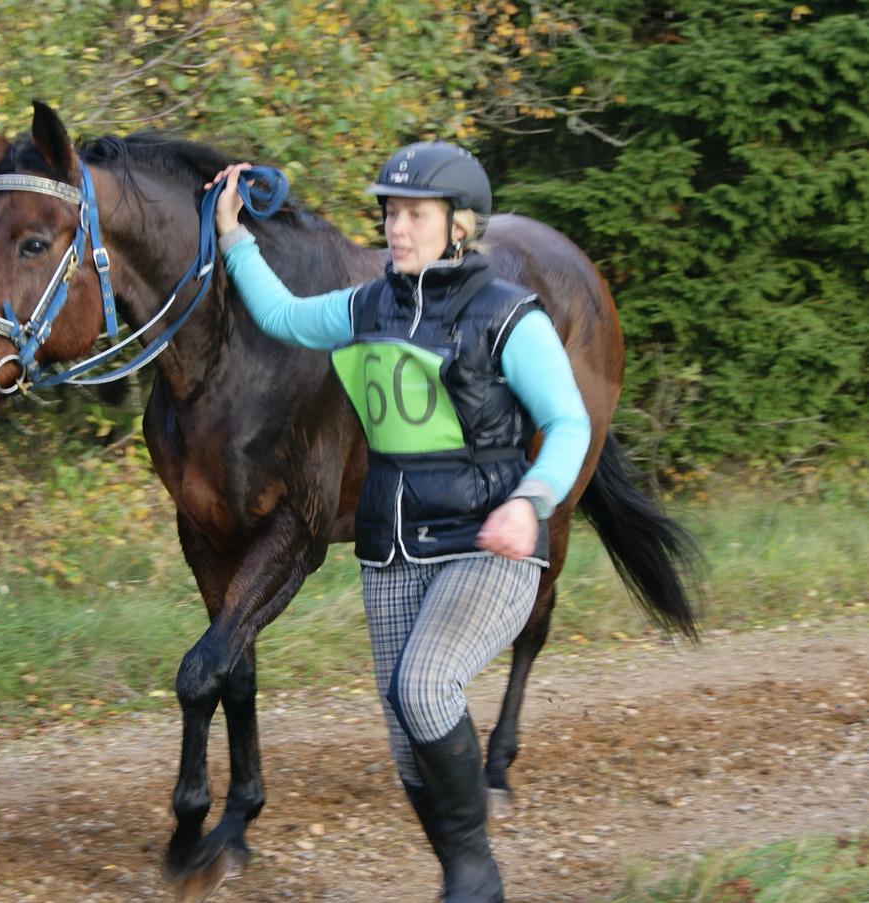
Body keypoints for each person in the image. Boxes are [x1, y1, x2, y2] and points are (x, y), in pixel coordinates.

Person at [208, 142, 590, 902]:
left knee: (424, 685)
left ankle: (475, 875)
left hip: (487, 546)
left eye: (416, 214)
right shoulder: (367, 306)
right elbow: (281, 315)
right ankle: (460, 874)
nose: (397, 228)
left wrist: (532, 500)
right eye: (390, 213)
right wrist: (232, 236)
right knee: (406, 734)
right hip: (391, 551)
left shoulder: (508, 315)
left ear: (459, 226)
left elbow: (568, 423)